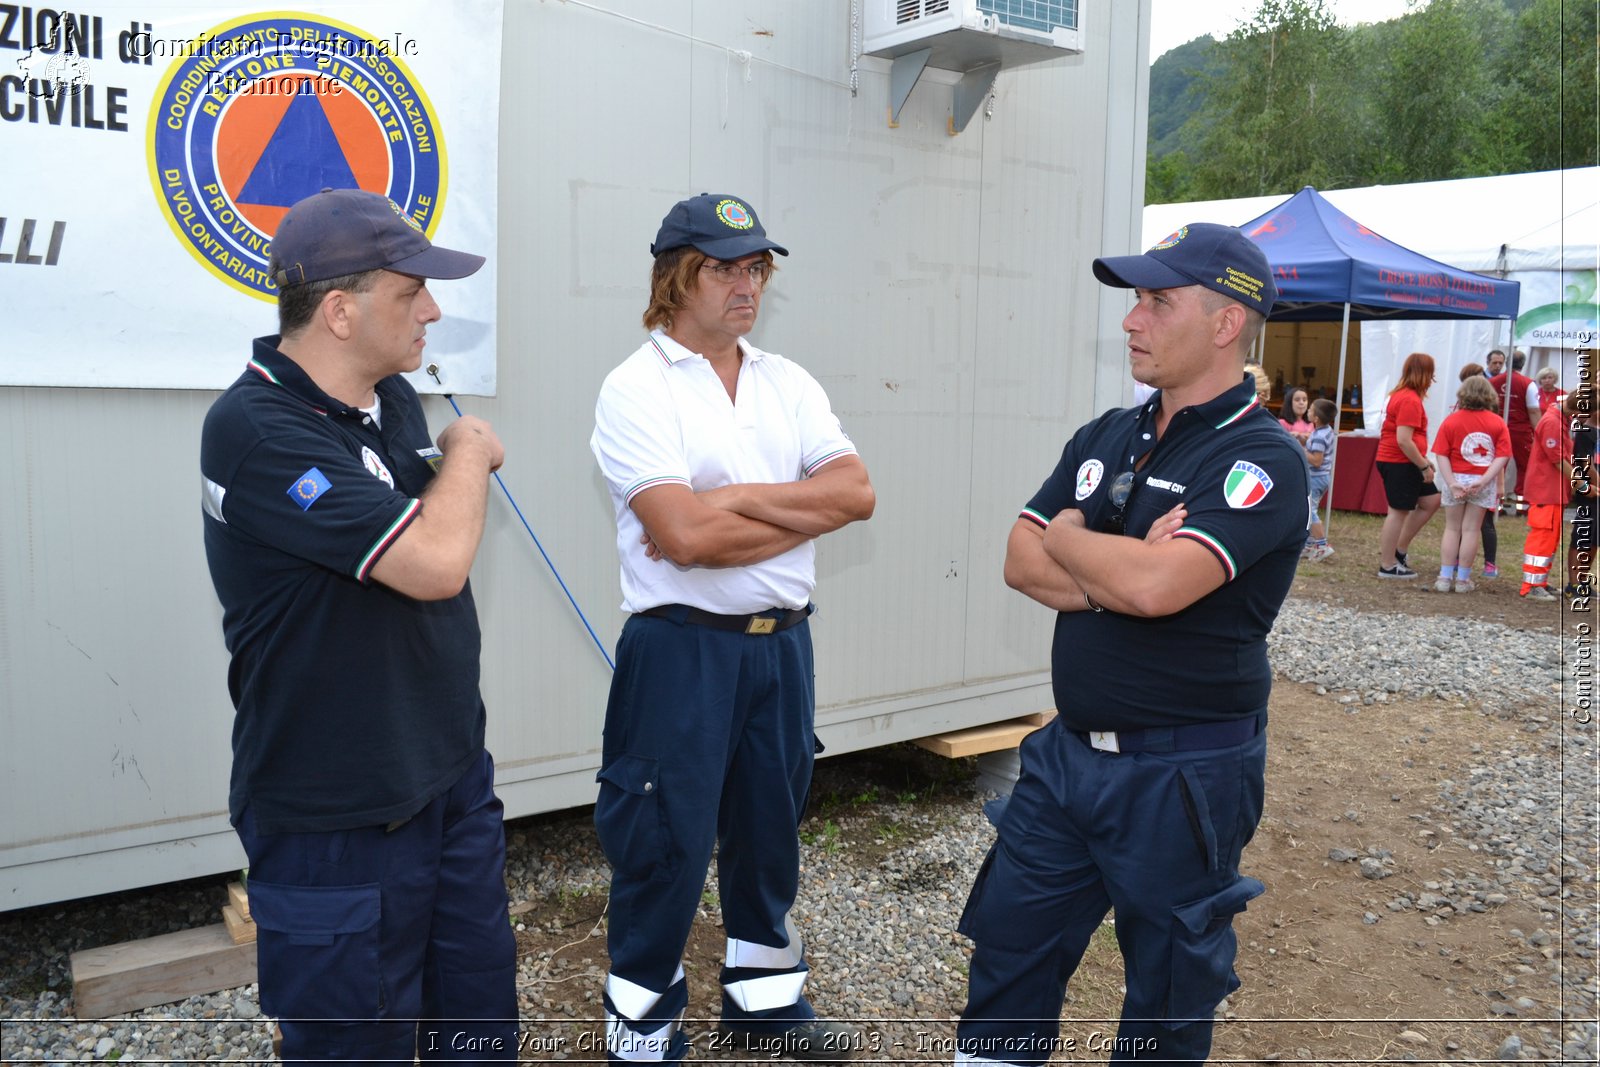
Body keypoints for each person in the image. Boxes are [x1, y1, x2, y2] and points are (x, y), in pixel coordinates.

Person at [955, 223, 1306, 1065]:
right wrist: (1125, 560)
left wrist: (1077, 537)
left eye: (1157, 301)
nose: (1131, 320)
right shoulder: (1107, 434)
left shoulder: (1262, 457)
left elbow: (1156, 588)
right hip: (1067, 761)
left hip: (1183, 774)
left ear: (1226, 322)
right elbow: (1015, 559)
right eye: (1134, 300)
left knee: (1167, 994)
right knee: (1008, 954)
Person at [199, 188, 516, 1061]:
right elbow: (435, 562)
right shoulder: (257, 430)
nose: (434, 308)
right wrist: (467, 452)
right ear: (340, 310)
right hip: (337, 820)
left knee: (478, 1032)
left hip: (447, 784)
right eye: (412, 290)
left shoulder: (391, 400)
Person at [590, 193, 875, 1065]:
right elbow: (682, 537)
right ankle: (640, 1032)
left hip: (781, 644)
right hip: (682, 650)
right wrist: (796, 511)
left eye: (757, 267)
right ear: (677, 276)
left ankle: (764, 1001)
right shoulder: (635, 387)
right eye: (726, 266)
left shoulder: (787, 380)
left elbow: (856, 494)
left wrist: (735, 499)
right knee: (663, 839)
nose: (747, 282)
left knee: (768, 829)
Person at [1430, 377, 1512, 593]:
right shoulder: (1497, 422)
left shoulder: (1451, 421)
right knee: (1471, 530)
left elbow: (1441, 454)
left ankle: (1444, 577)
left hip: (1455, 477)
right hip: (1481, 480)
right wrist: (1484, 481)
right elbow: (1502, 457)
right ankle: (1463, 580)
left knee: (1452, 528)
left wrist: (1451, 482)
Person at [1376, 352, 1441, 578]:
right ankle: (1387, 564)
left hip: (1404, 460)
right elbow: (1403, 439)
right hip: (1398, 461)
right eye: (1431, 374)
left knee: (1431, 500)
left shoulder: (1403, 395)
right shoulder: (1409, 399)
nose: (1432, 380)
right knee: (1398, 511)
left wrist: (1422, 461)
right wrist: (1423, 466)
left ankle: (1398, 550)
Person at [1457, 363, 1501, 579]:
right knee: (1462, 526)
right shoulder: (1458, 412)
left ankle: (1488, 563)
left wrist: (1499, 483)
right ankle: (1458, 565)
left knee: (1483, 524)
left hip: (1482, 475)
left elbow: (1500, 455)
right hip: (1470, 476)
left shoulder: (1493, 416)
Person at [1490, 350, 1540, 499]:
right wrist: (1540, 432)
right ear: (1523, 364)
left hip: (1497, 428)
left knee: (1497, 465)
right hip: (1520, 431)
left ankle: (1494, 501)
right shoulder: (1528, 384)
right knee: (1525, 465)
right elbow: (1533, 411)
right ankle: (1522, 501)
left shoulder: (1493, 382)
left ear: (1506, 363)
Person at [1302, 397, 1337, 562]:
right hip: (1322, 477)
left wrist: (1301, 449)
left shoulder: (1319, 437)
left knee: (1309, 511)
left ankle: (1322, 545)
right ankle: (1309, 545)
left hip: (1315, 477)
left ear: (1315, 418)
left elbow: (1316, 460)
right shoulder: (1326, 431)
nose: (1307, 411)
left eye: (1310, 410)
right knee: (1310, 508)